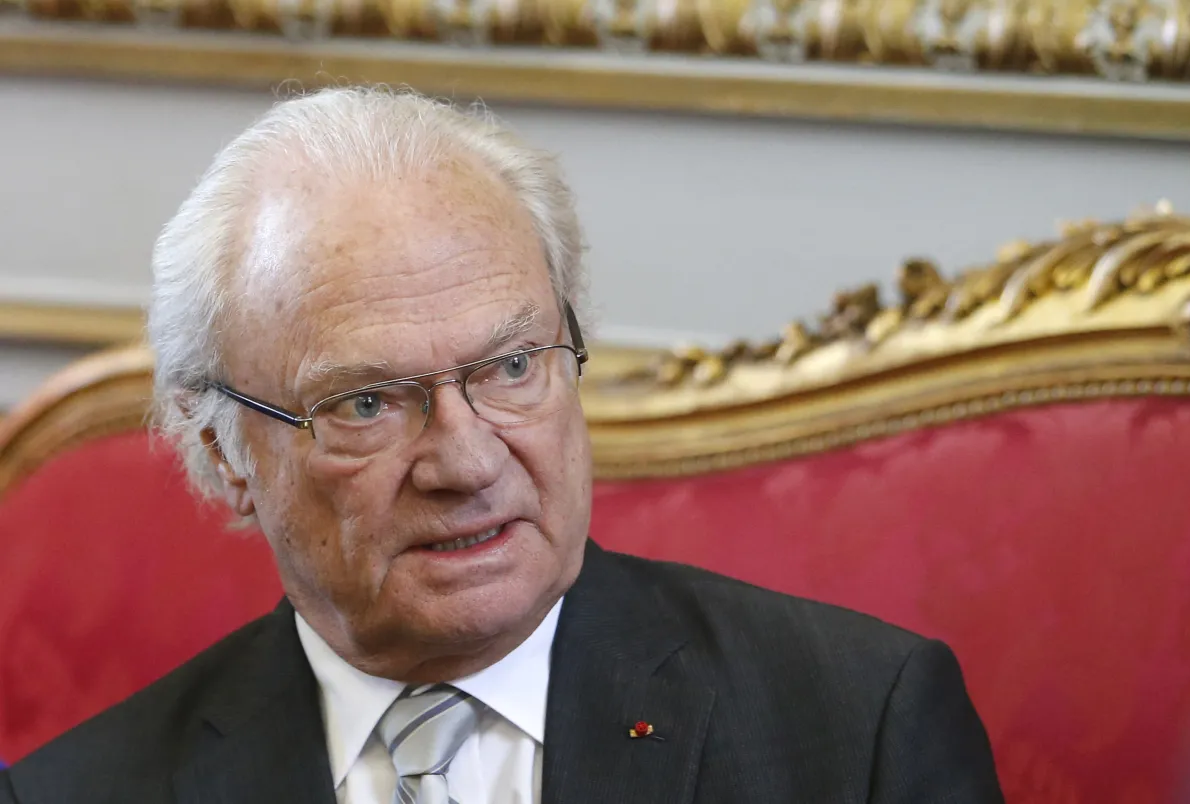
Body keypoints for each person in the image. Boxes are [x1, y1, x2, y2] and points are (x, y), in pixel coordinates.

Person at [0, 87, 1004, 804]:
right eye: (366, 403)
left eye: (513, 366)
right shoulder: (78, 792)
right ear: (223, 454)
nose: (468, 462)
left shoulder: (858, 729)